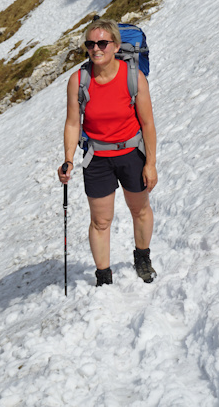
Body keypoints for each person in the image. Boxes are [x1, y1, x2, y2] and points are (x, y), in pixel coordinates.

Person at [57, 18, 158, 286]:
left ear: (115, 45)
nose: (96, 48)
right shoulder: (78, 80)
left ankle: (142, 257)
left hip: (131, 154)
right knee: (101, 221)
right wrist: (68, 160)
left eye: (102, 43)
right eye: (90, 44)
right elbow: (72, 123)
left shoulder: (133, 77)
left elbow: (147, 123)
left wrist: (151, 163)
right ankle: (103, 275)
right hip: (97, 158)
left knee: (140, 211)